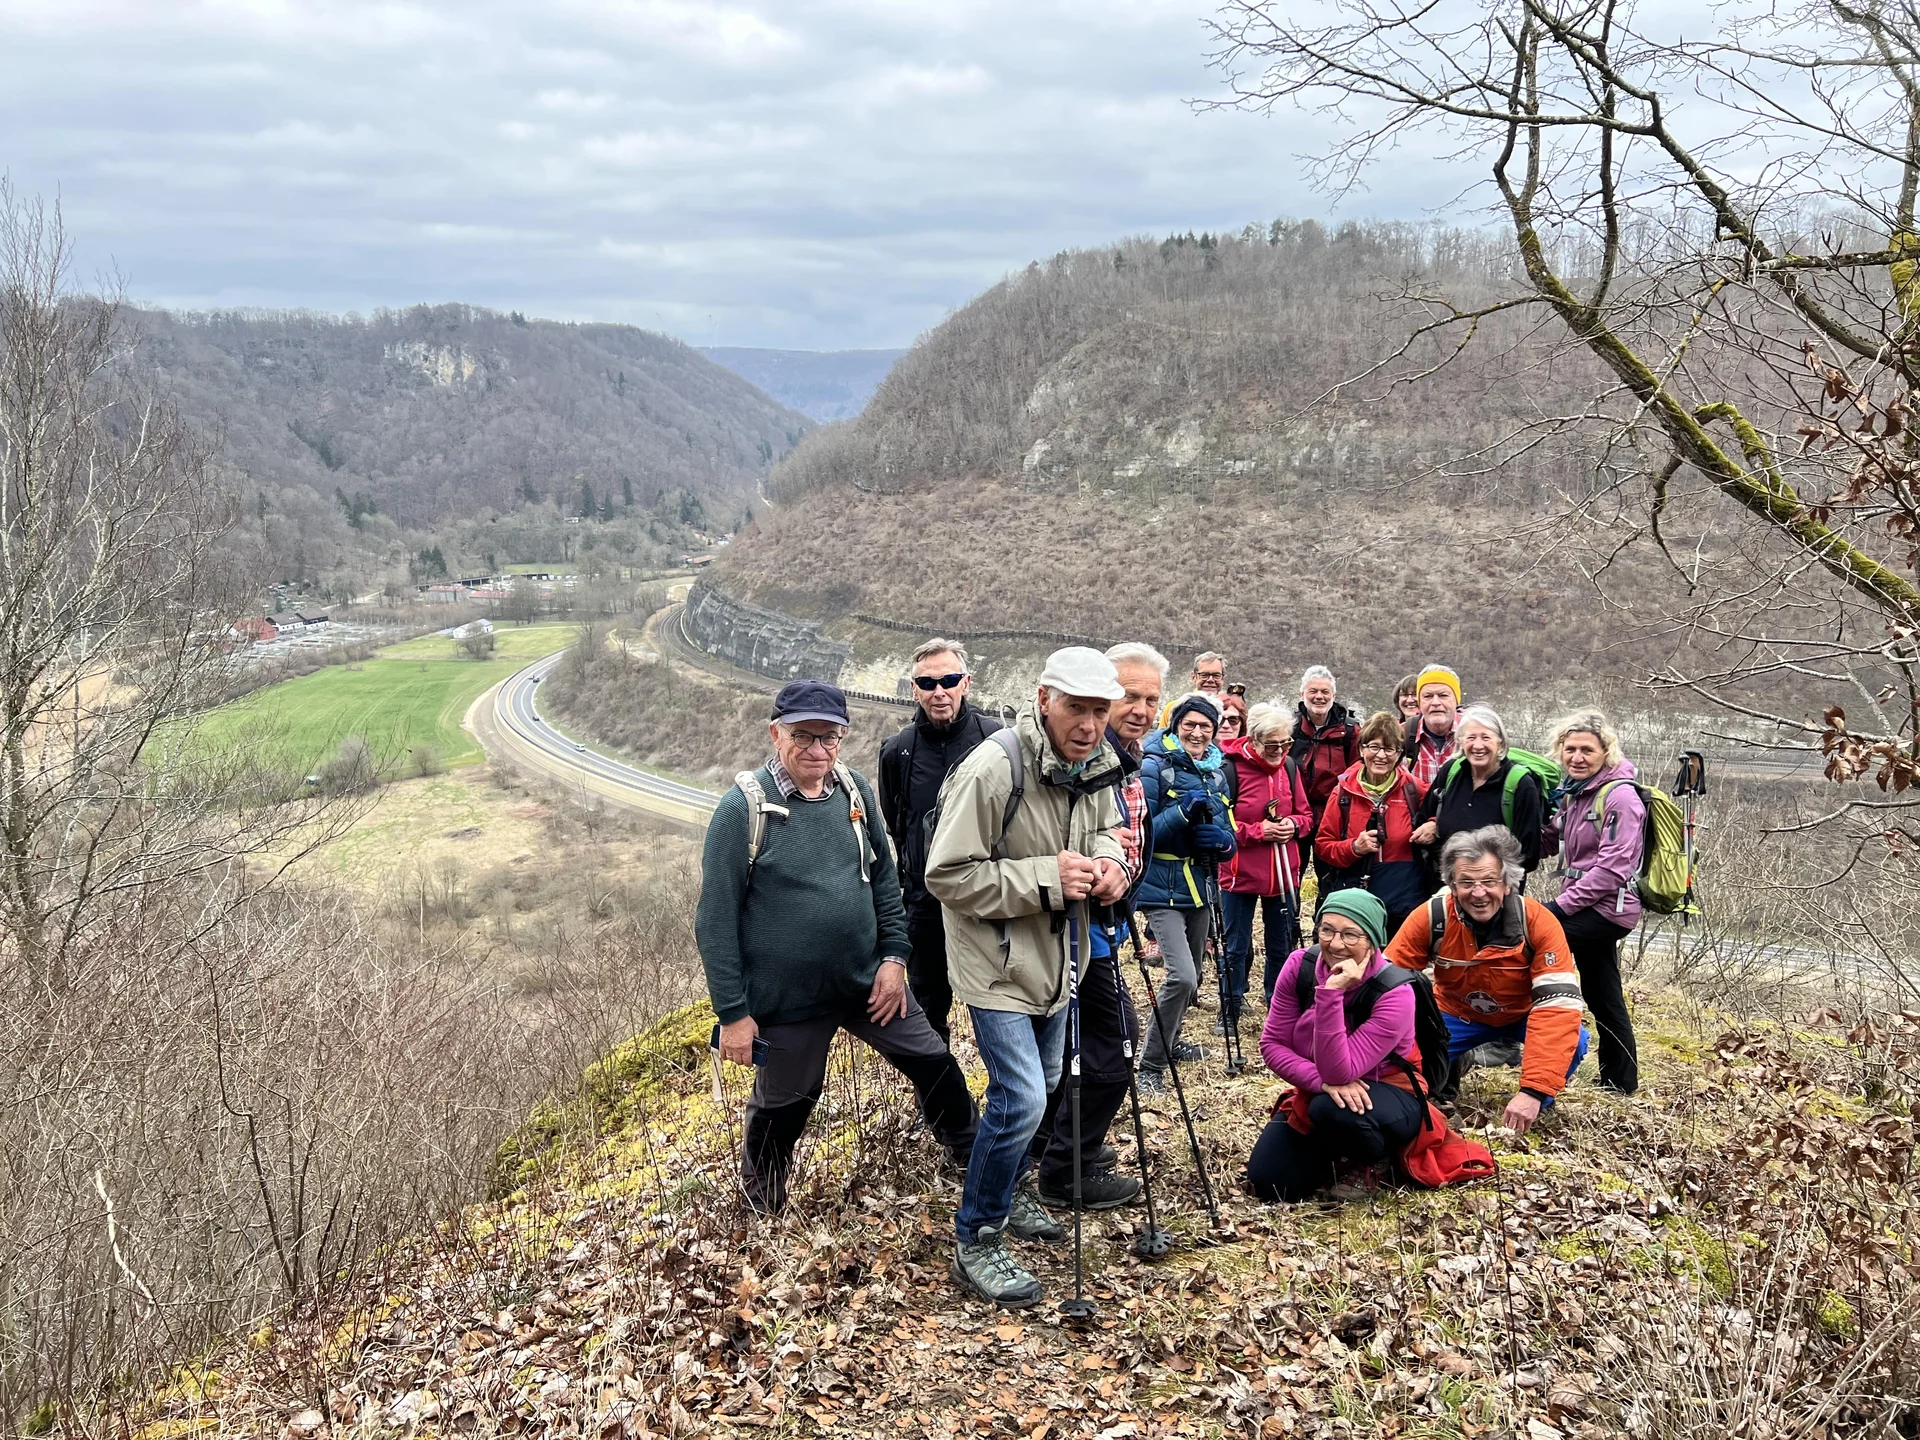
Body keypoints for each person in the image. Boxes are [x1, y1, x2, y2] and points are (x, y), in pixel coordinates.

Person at [697, 680, 979, 1215]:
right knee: (787, 1103)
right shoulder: (743, 809)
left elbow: (883, 881)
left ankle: (973, 1155)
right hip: (787, 998)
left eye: (829, 738)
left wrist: (895, 958)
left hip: (866, 980)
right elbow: (714, 921)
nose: (817, 750)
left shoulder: (853, 790)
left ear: (842, 739)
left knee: (933, 1060)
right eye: (803, 736)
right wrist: (733, 1013)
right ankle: (763, 1207)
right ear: (775, 734)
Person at [927, 647, 1130, 1308]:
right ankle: (977, 1236)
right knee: (1022, 1098)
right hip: (995, 962)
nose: (1090, 725)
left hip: (1061, 957)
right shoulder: (993, 768)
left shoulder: (1095, 768)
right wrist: (1047, 880)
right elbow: (947, 875)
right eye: (1077, 708)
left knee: (1040, 1085)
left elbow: (1106, 832)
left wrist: (1108, 869)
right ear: (1044, 699)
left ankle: (1008, 1198)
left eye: (1101, 711)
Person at [1021, 642, 1169, 1213]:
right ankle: (1065, 1166)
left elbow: (1125, 841)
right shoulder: (1081, 754)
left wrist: (1121, 870)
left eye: (1150, 699)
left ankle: (1056, 1145)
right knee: (1111, 1047)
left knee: (1068, 1050)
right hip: (1065, 928)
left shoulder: (1129, 760)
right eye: (1128, 695)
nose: (1139, 708)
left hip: (1101, 925)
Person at [1386, 826, 1589, 1133]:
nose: (1478, 893)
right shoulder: (1432, 917)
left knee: (1576, 1041)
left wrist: (1533, 1090)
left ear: (1508, 884)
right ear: (1452, 884)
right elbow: (1386, 982)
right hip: (1456, 1014)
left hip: (1524, 1015)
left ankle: (1540, 1105)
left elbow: (1558, 1008)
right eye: (1466, 882)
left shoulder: (1538, 923)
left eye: (1489, 881)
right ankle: (1453, 1064)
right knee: (1405, 1061)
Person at [1247, 891, 1424, 1202]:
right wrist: (1320, 1082)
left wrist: (1331, 995)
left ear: (1372, 941)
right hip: (1323, 1088)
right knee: (1271, 1183)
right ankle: (1335, 1153)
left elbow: (1340, 1071)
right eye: (1327, 930)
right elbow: (1272, 1045)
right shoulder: (1299, 966)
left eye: (1351, 934)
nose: (1336, 943)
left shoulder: (1396, 993)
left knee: (1330, 1109)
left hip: (1390, 1091)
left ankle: (1375, 1159)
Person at [876, 638, 1004, 1043]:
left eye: (949, 680)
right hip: (926, 903)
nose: (939, 691)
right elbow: (898, 823)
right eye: (927, 683)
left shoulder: (997, 741)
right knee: (930, 1010)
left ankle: (1006, 1099)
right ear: (914, 689)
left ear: (966, 682)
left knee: (999, 1005)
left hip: (988, 897)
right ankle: (938, 1104)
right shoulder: (898, 751)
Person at [1134, 693, 1237, 1094]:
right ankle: (1150, 1065)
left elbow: (1228, 831)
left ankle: (1171, 1041)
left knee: (1193, 979)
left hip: (1201, 886)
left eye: (1205, 726)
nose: (1197, 732)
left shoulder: (1217, 773)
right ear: (1176, 725)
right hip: (1163, 886)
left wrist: (1224, 844)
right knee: (1181, 976)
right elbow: (1143, 833)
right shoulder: (1154, 767)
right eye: (1189, 724)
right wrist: (1182, 813)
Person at [1541, 711, 1645, 1094]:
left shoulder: (1619, 796)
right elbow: (1549, 839)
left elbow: (1612, 871)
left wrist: (1557, 908)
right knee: (1604, 993)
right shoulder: (1575, 793)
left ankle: (1523, 1045)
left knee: (1530, 944)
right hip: (1589, 906)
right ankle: (1619, 1082)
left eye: (1587, 749)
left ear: (1606, 752)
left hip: (1607, 910)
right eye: (1570, 749)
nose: (1577, 757)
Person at [1221, 703, 1313, 1012]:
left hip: (1284, 872)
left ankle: (1278, 1003)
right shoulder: (1229, 769)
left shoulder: (1289, 768)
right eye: (1272, 745)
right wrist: (1260, 831)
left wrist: (1292, 825)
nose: (1280, 750)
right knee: (1235, 946)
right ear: (1254, 740)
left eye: (1286, 743)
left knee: (1282, 944)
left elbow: (1306, 816)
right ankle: (1231, 1005)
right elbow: (1222, 826)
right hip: (1240, 874)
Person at [1315, 712, 1428, 937]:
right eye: (1374, 747)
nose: (1381, 756)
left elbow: (1439, 819)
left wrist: (1432, 825)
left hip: (1404, 904)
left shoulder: (1415, 790)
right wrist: (1354, 848)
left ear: (1399, 754)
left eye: (1389, 749)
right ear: (1361, 749)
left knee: (1400, 970)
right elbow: (1323, 847)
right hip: (1357, 906)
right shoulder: (1343, 792)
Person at [1410, 704, 1545, 882]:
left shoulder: (1520, 785)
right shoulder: (1451, 772)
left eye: (1486, 737)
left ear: (1501, 743)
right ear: (1461, 741)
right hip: (1446, 885)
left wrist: (1483, 877)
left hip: (1496, 892)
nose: (1478, 745)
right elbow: (1422, 820)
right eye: (1471, 737)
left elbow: (1529, 856)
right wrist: (1435, 827)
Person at [1289, 666, 1360, 880]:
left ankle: (1327, 913)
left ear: (1333, 696)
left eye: (1325, 692)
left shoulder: (1349, 731)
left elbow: (1356, 772)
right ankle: (1291, 914)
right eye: (1313, 691)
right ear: (1302, 695)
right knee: (1291, 877)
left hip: (1333, 816)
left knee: (1331, 878)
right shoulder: (1289, 726)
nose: (1319, 697)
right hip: (1295, 814)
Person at [1401, 665, 1462, 790]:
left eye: (1443, 695)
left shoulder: (1476, 737)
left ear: (1457, 700)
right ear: (1419, 702)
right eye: (1427, 696)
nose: (1435, 702)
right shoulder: (1399, 736)